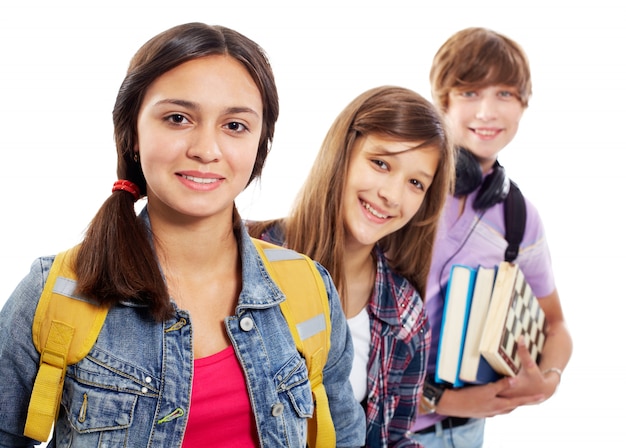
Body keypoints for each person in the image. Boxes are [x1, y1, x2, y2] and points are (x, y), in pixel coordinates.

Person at [0, 22, 365, 447]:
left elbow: (345, 438)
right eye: (177, 118)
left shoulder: (310, 291)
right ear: (132, 132)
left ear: (260, 145)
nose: (206, 149)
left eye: (235, 126)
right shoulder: (57, 293)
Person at [248, 85, 455, 447]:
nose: (391, 195)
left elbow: (392, 439)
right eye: (381, 163)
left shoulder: (406, 316)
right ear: (343, 153)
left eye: (415, 183)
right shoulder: (248, 255)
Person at [408, 27, 573, 447]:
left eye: (504, 94)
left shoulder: (519, 219)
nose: (487, 112)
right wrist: (443, 400)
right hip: (374, 427)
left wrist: (547, 381)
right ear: (441, 100)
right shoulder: (400, 189)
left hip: (464, 435)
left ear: (522, 105)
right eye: (469, 93)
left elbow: (556, 325)